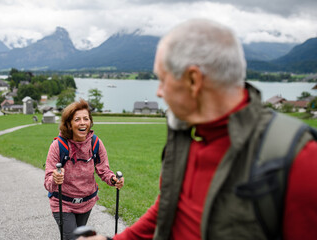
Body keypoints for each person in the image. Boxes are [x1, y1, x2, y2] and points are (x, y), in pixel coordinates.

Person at [79, 18, 317, 240]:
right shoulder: (188, 138)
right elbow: (167, 210)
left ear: (193, 80)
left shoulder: (300, 161)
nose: (158, 92)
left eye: (162, 79)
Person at [44, 99, 124, 240]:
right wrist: (55, 178)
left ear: (90, 122)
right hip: (62, 203)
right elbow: (48, 183)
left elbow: (104, 170)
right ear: (69, 124)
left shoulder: (95, 143)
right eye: (77, 119)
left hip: (86, 202)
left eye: (86, 119)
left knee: (80, 237)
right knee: (73, 238)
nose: (82, 123)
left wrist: (113, 180)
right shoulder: (58, 146)